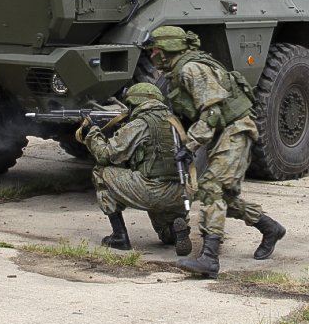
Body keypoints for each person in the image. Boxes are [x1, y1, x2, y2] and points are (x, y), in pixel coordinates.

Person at [141, 26, 286, 278]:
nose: (152, 54)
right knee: (222, 197)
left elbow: (212, 112)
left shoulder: (191, 69)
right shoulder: (179, 70)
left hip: (235, 130)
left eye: (155, 50)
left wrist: (190, 146)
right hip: (222, 132)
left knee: (210, 188)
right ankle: (269, 227)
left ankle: (209, 258)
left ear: (167, 50)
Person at [80, 82, 193, 256]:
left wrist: (92, 131)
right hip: (181, 192)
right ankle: (176, 230)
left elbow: (106, 154)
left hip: (154, 190)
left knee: (101, 172)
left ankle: (119, 237)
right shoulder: (173, 122)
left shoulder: (141, 123)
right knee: (165, 235)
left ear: (135, 103)